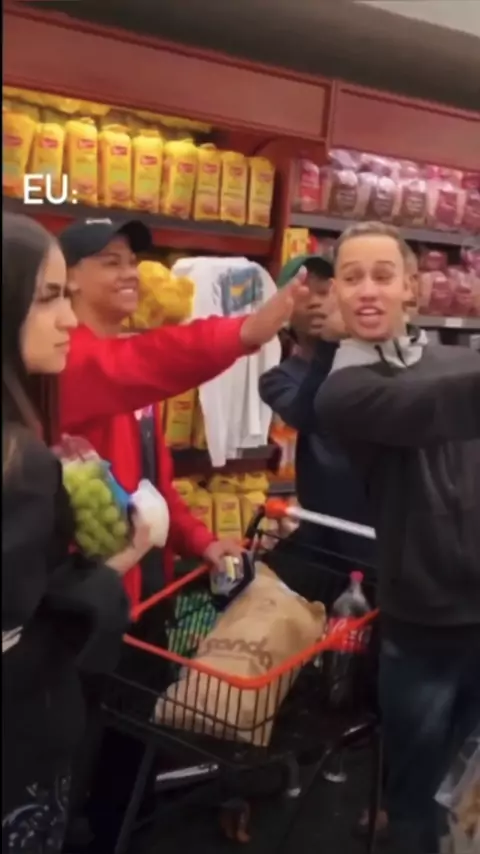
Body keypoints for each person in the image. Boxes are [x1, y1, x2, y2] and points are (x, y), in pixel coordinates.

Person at [56, 217, 308, 849]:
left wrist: (200, 541)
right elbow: (143, 362)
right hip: (82, 604)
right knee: (72, 752)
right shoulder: (72, 361)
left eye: (132, 261)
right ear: (68, 279)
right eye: (110, 261)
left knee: (126, 747)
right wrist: (246, 330)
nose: (129, 273)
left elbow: (154, 483)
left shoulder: (128, 373)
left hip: (141, 598)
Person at [314, 221, 480, 854]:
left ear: (412, 287)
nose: (367, 290)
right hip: (423, 620)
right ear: (335, 294)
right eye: (351, 277)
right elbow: (427, 408)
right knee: (415, 793)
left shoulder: (459, 360)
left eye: (383, 276)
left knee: (469, 783)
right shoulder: (344, 392)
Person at [1, 214, 149, 852]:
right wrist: (119, 563)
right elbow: (20, 637)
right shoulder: (20, 464)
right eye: (48, 297)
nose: (67, 319)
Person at [259, 253, 374, 604]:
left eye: (326, 292)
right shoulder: (278, 379)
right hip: (324, 537)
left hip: (381, 534)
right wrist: (328, 347)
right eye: (303, 293)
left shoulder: (370, 366)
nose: (316, 302)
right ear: (284, 310)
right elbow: (308, 415)